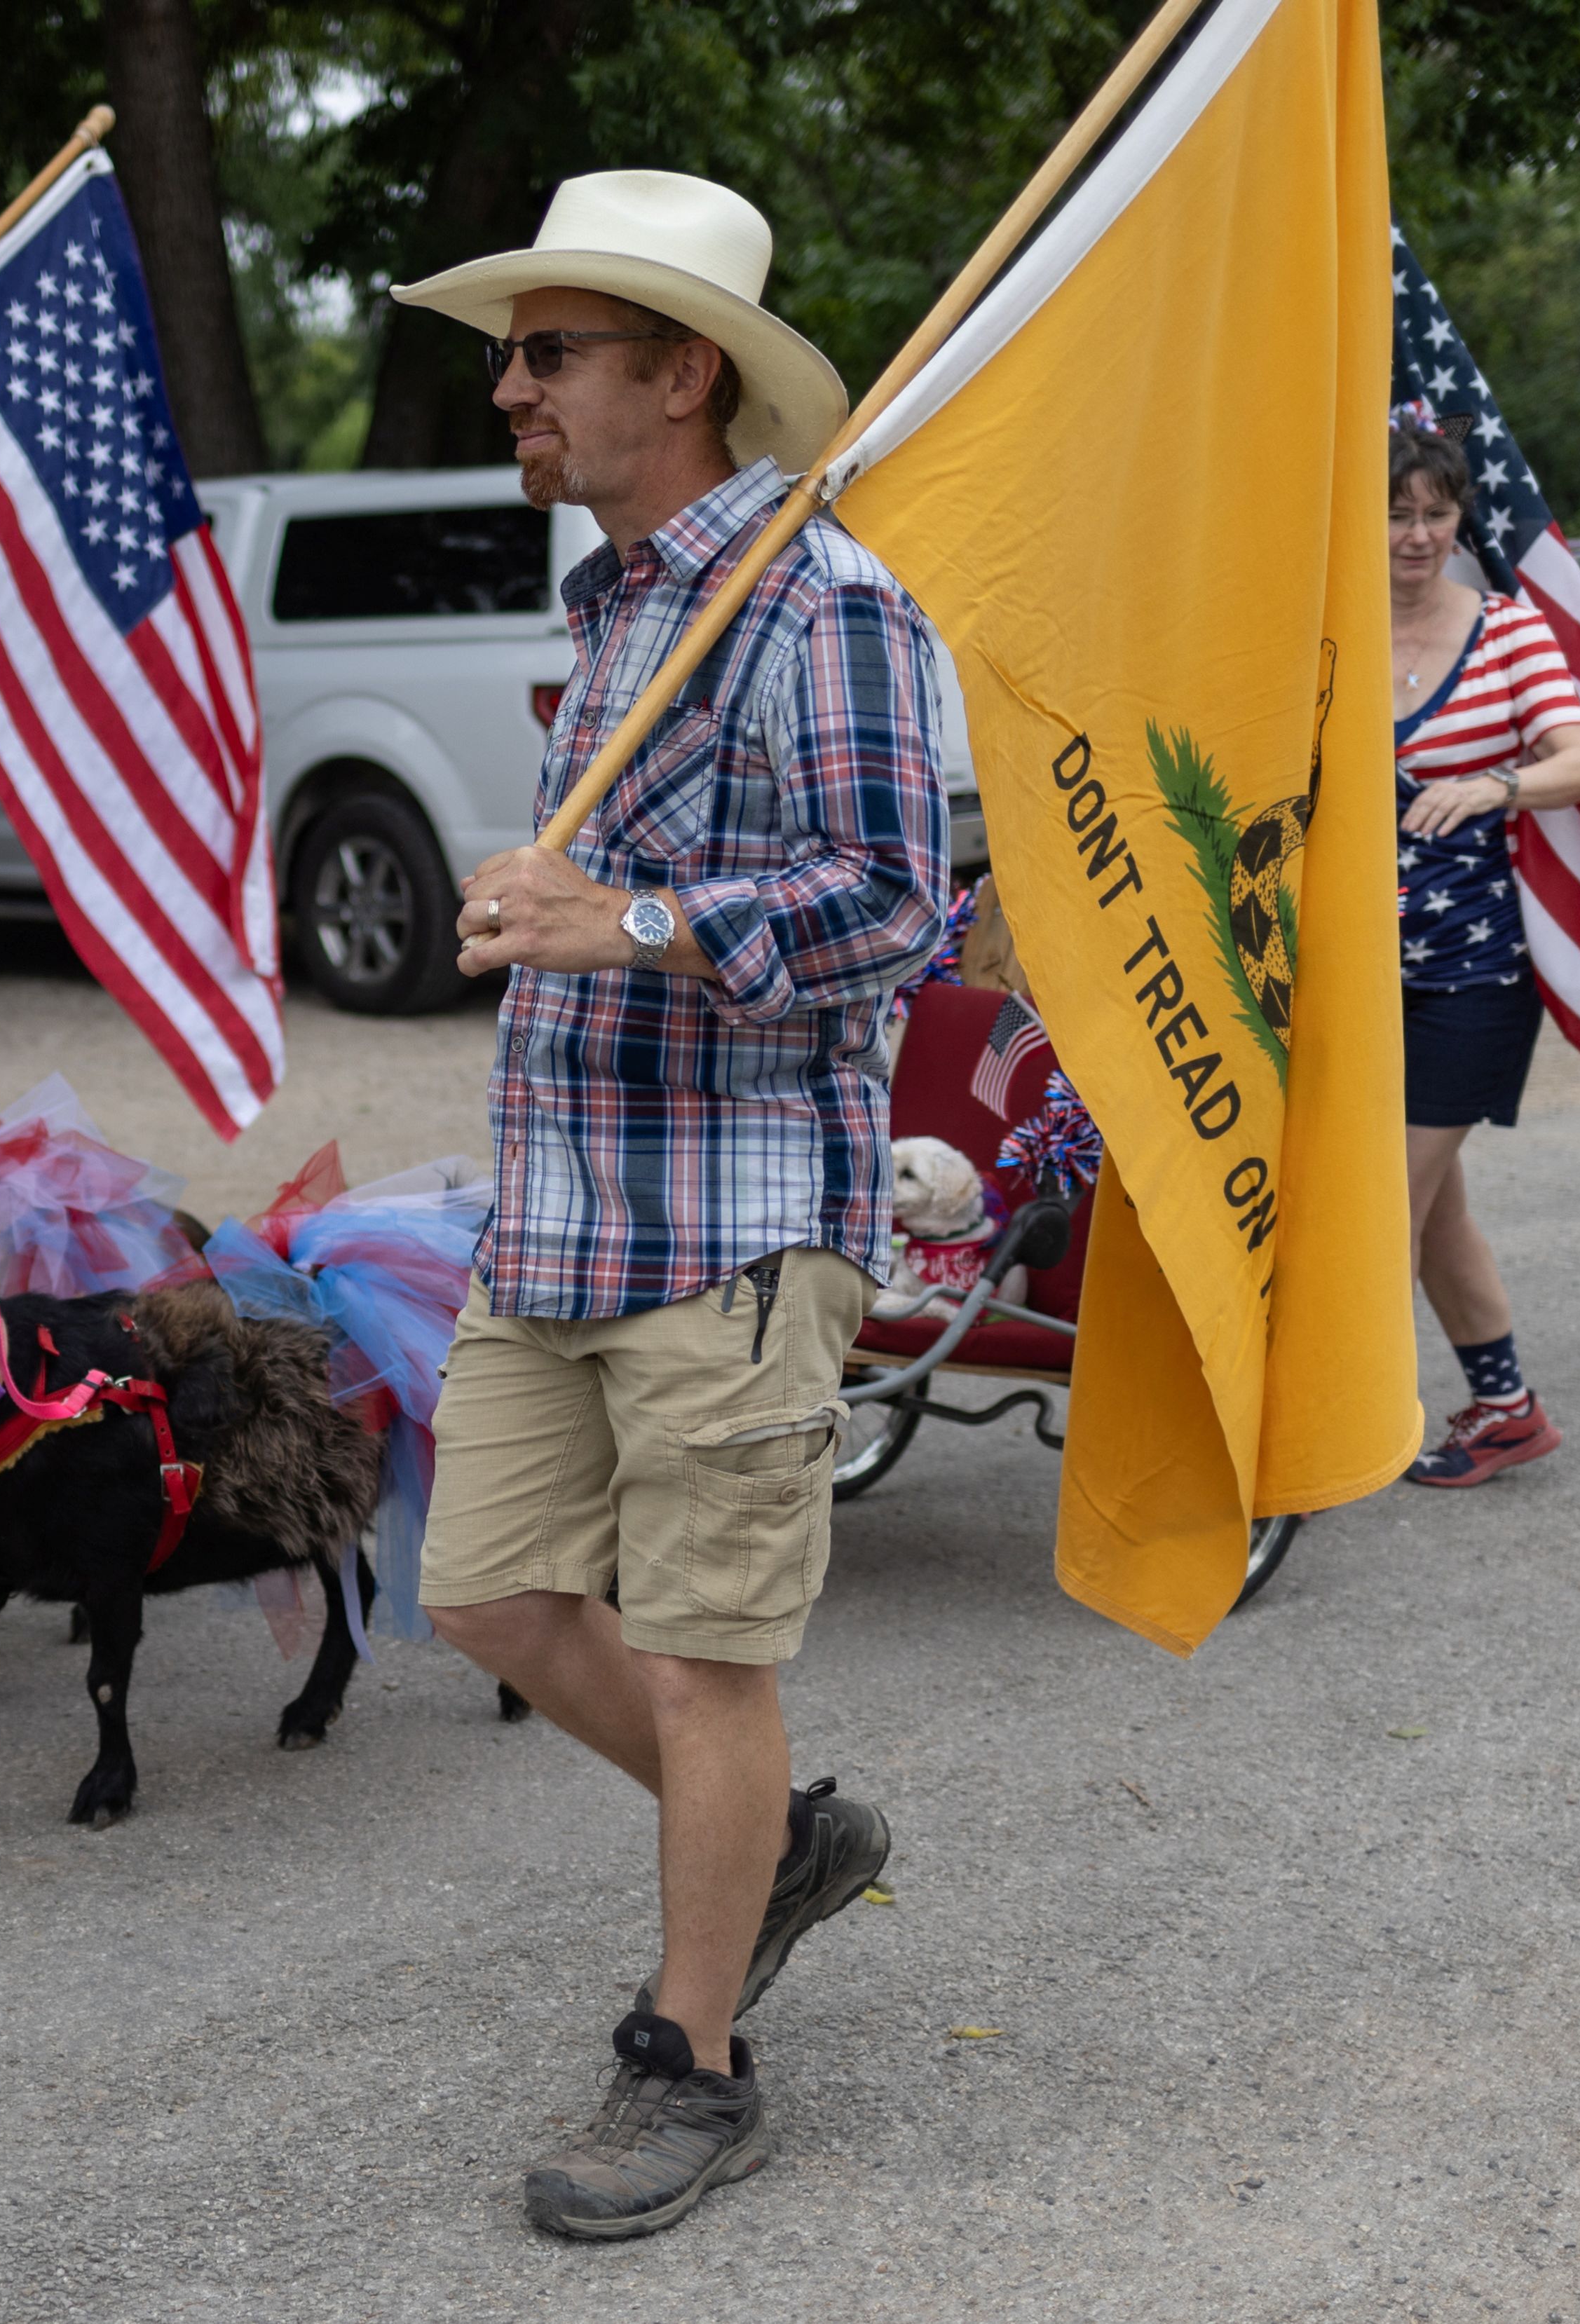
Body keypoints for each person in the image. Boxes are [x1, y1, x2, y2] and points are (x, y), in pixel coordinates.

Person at [388, 170, 950, 2241]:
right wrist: (550, 909)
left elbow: (892, 901)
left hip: (733, 1216)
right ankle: (776, 1842)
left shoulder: (822, 601)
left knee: (709, 1653)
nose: (508, 389)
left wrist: (622, 917)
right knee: (485, 1595)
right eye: (509, 354)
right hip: (561, 1202)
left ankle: (693, 2057)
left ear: (682, 371)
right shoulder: (623, 599)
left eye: (546, 352)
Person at [1387, 409, 1580, 1487]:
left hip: (1470, 975)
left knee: (1379, 1210)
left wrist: (1493, 783)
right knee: (1434, 1212)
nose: (1418, 535)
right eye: (1395, 514)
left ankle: (1311, 1437)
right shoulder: (1321, 630)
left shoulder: (1509, 631)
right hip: (1346, 974)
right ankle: (1507, 1411)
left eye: (1437, 514)